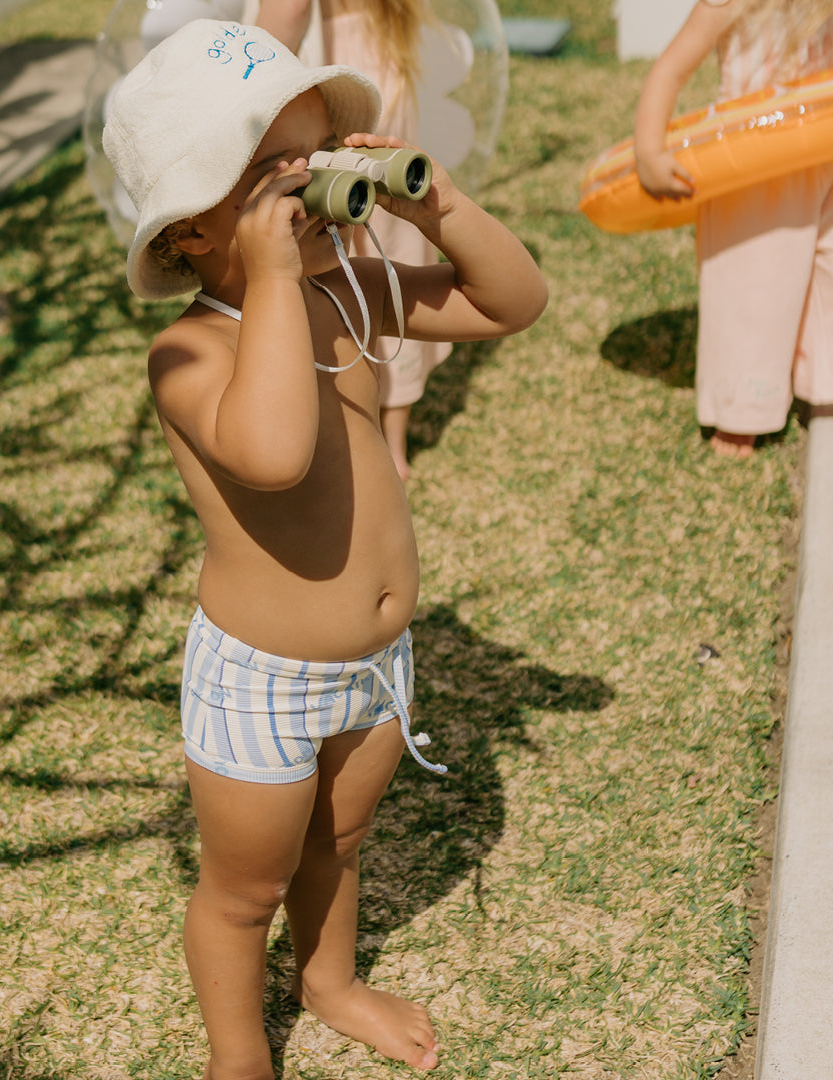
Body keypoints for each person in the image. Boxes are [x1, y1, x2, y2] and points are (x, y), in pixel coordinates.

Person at [102, 19, 546, 1078]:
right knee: (244, 888)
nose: (305, 187)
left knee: (339, 846)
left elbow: (511, 302)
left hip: (373, 669)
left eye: (314, 156)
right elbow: (273, 455)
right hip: (262, 683)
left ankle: (331, 980)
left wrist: (432, 202)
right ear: (187, 237)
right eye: (267, 175)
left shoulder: (348, 289)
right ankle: (239, 1052)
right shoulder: (188, 351)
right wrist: (270, 281)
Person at [256, 0, 452, 481]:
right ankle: (396, 444)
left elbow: (289, 8)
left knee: (339, 262)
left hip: (331, 81)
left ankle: (358, 432)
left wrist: (250, 84)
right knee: (395, 247)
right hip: (382, 60)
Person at [633, 0, 833, 458]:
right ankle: (743, 407)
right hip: (754, 172)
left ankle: (821, 379)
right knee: (753, 290)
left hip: (822, 157)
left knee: (827, 274)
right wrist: (649, 149)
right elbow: (669, 70)